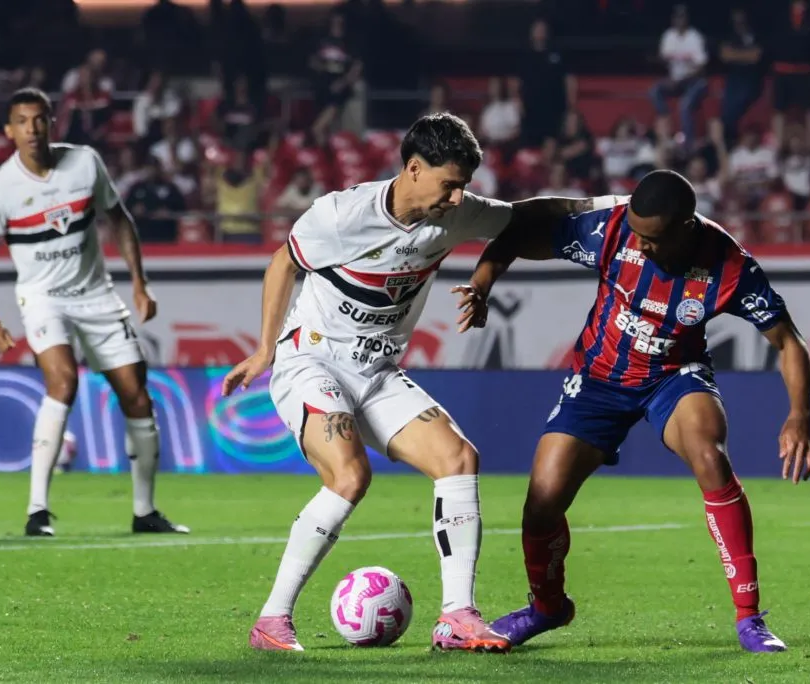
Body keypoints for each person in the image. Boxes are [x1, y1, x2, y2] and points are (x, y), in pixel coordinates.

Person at [221, 112, 595, 653]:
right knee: (350, 475)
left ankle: (457, 617)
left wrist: (608, 207)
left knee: (458, 459)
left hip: (376, 374)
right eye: (450, 183)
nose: (457, 196)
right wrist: (264, 347)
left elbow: (526, 219)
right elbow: (283, 264)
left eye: (465, 185)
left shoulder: (457, 214)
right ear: (414, 169)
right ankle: (272, 621)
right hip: (312, 362)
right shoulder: (340, 215)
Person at [456, 170, 810, 653]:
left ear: (686, 227)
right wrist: (482, 282)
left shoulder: (728, 265)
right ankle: (547, 608)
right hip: (597, 382)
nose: (640, 245)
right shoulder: (610, 230)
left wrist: (799, 416)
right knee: (541, 502)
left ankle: (750, 619)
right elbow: (521, 231)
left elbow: (787, 341)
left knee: (710, 457)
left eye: (651, 239)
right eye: (635, 232)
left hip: (674, 375)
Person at [0, 88, 188, 538]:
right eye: (22, 121)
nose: (32, 129)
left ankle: (145, 511)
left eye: (40, 119)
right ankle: (37, 510)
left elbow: (119, 219)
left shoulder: (85, 163)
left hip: (98, 296)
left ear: (52, 123)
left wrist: (140, 284)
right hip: (44, 298)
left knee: (137, 396)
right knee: (63, 381)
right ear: (9, 131)